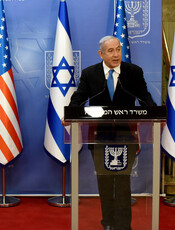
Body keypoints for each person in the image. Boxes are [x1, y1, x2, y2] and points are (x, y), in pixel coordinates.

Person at [64, 36, 156, 230]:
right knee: (104, 183)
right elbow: (78, 100)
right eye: (111, 51)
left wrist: (155, 115)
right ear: (101, 54)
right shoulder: (90, 74)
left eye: (118, 49)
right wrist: (70, 115)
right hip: (99, 136)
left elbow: (145, 97)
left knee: (123, 183)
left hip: (126, 136)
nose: (116, 55)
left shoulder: (133, 72)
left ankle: (123, 225)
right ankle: (107, 223)